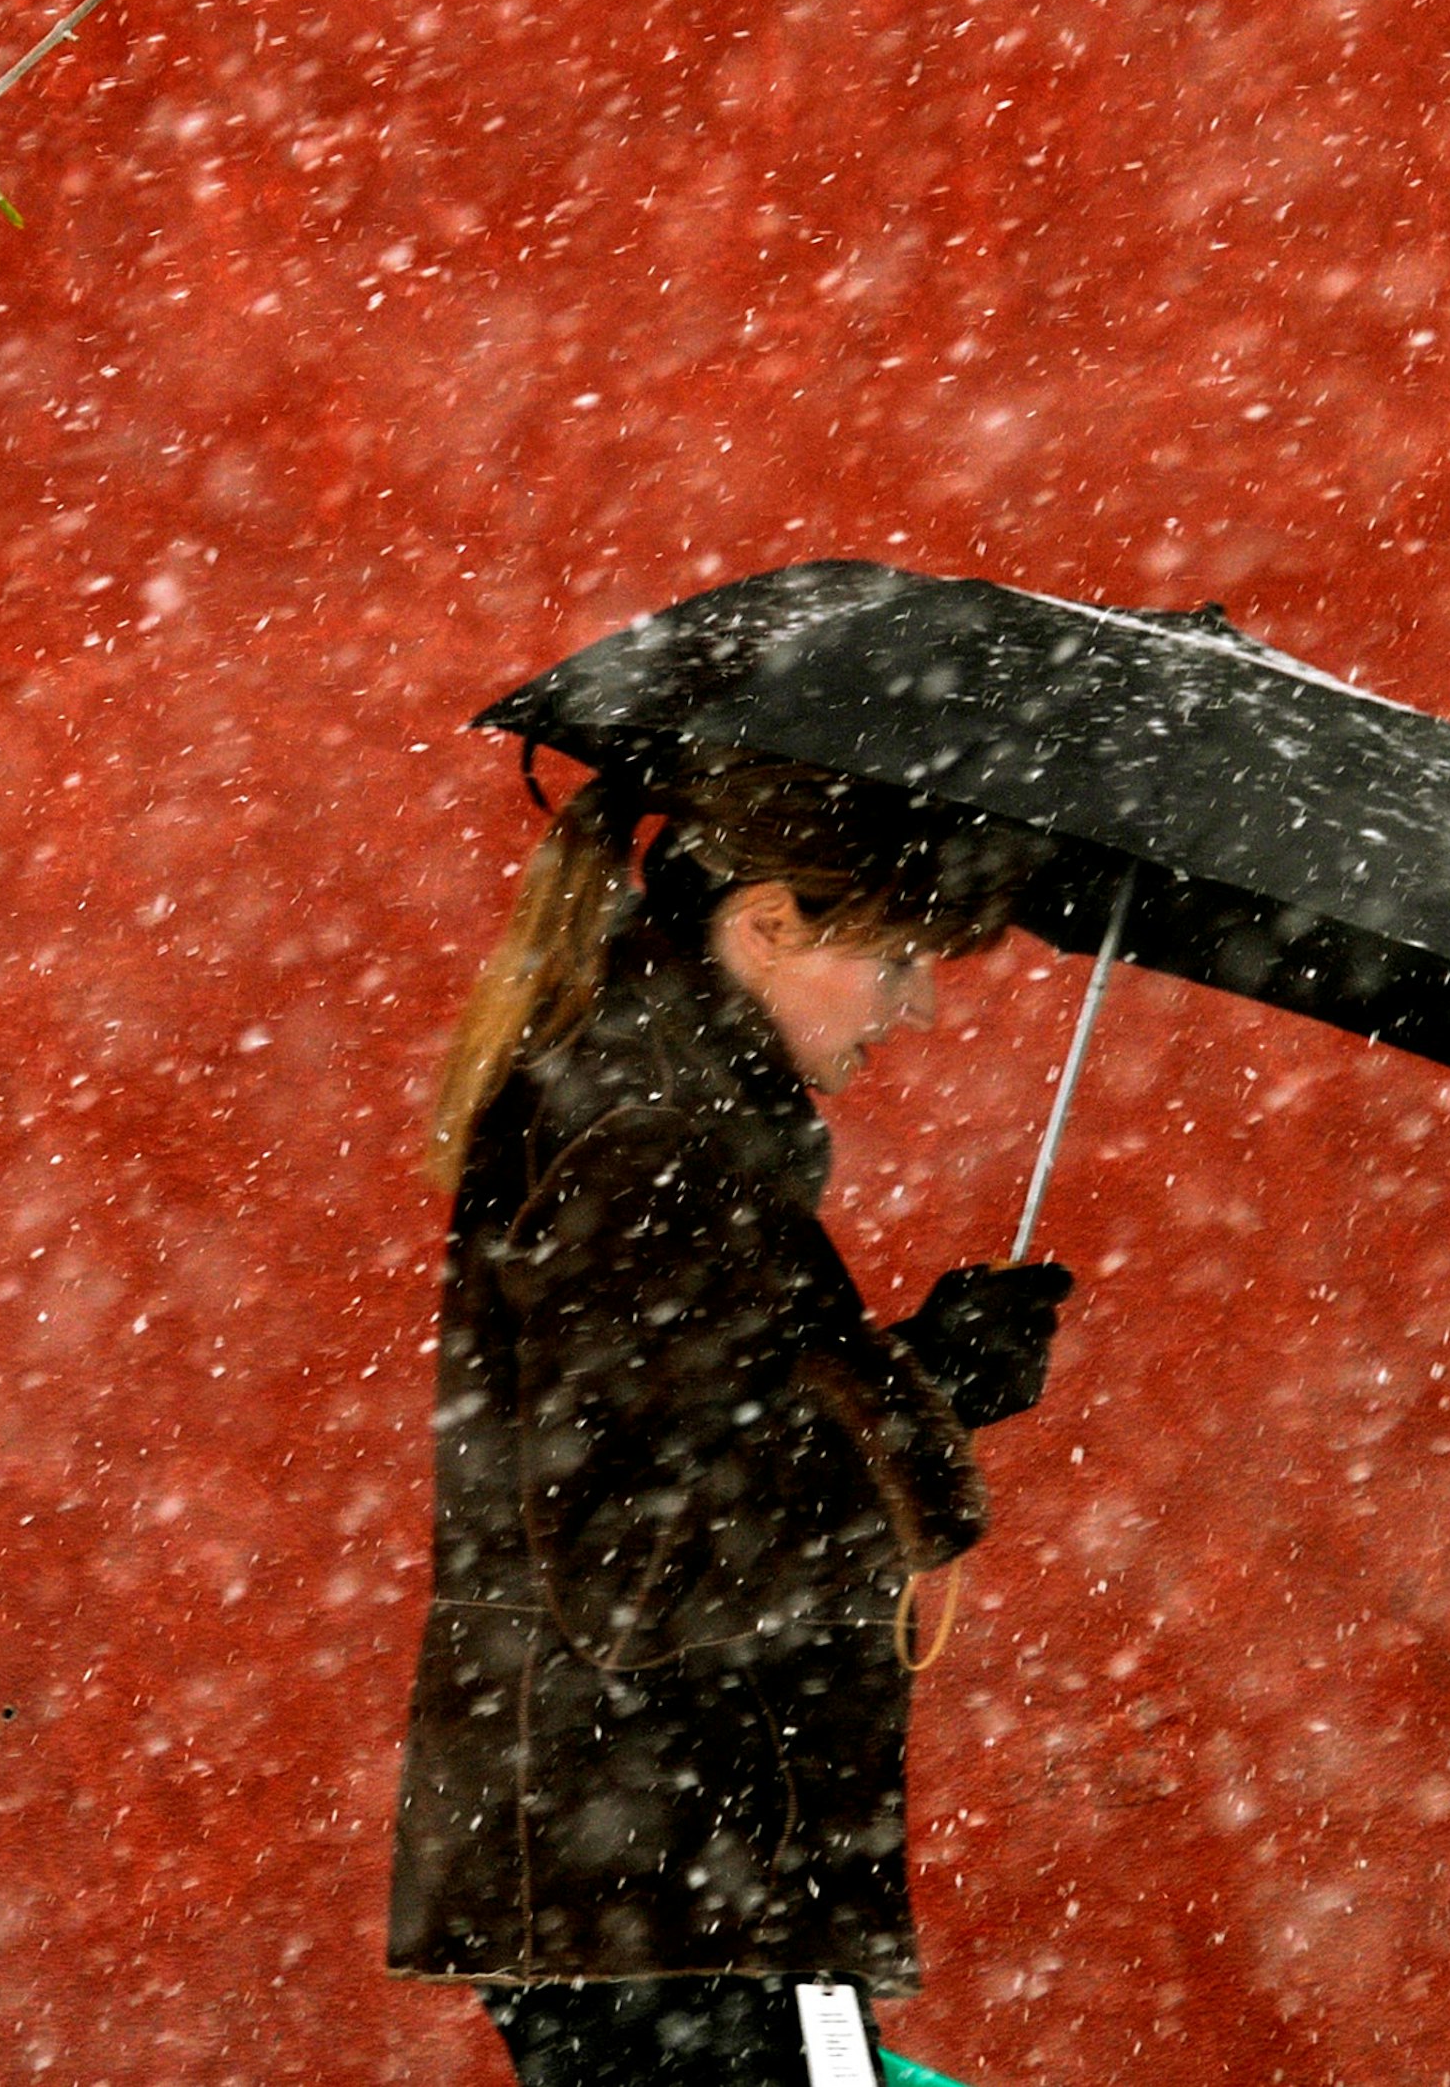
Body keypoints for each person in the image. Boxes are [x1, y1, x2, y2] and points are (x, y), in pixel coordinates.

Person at [386, 758, 1076, 2087]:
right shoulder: (652, 1138)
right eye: (903, 957)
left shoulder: (671, 1116)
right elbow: (640, 1567)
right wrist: (930, 1386)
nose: (921, 1005)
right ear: (767, 924)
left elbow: (705, 1450)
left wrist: (910, 1383)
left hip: (672, 1887)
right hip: (660, 1889)